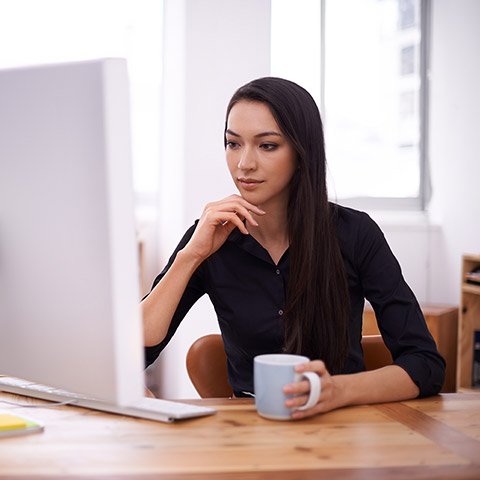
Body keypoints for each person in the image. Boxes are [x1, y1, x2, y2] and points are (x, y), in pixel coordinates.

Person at [142, 77, 445, 419]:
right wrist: (191, 256)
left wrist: (338, 390)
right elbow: (136, 351)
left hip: (342, 427)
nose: (244, 164)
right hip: (249, 438)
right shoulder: (210, 237)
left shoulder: (355, 234)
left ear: (302, 152)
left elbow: (425, 364)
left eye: (267, 145)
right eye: (233, 143)